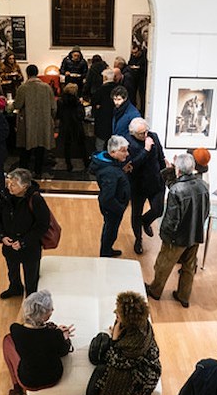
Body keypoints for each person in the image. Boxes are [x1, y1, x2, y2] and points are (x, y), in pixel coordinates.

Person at [145, 153, 210, 307]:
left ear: (178, 170)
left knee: (163, 264)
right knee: (189, 267)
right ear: (193, 168)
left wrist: (165, 236)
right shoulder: (203, 186)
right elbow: (206, 211)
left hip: (177, 238)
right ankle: (184, 296)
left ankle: (155, 290)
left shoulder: (176, 191)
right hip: (196, 233)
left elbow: (171, 219)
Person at [81, 291, 161, 395]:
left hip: (141, 378)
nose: (115, 312)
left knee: (100, 370)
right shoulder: (142, 323)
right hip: (136, 363)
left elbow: (115, 360)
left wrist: (114, 339)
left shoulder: (134, 344)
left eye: (118, 313)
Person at [3, 289, 74, 395]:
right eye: (50, 309)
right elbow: (63, 351)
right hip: (53, 377)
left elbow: (34, 338)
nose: (53, 310)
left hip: (28, 380)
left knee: (7, 341)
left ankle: (16, 387)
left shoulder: (15, 329)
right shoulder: (54, 335)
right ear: (44, 317)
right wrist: (64, 337)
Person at [0, 168, 50, 299]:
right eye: (8, 184)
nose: (9, 187)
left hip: (29, 246)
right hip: (9, 244)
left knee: (31, 275)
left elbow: (42, 225)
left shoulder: (36, 199)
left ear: (24, 186)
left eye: (13, 185)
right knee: (12, 269)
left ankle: (31, 297)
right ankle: (15, 287)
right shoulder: (6, 195)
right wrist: (2, 236)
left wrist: (23, 242)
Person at [126, 118, 167, 255]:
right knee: (136, 213)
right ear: (133, 133)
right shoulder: (128, 142)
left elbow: (160, 156)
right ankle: (138, 239)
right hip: (138, 184)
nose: (145, 135)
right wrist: (146, 149)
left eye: (146, 131)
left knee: (158, 210)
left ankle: (146, 221)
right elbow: (132, 164)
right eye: (141, 134)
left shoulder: (153, 136)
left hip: (156, 181)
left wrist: (165, 172)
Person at [89, 135, 130, 257]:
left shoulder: (110, 164)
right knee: (110, 230)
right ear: (113, 152)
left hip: (114, 205)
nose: (127, 154)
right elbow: (107, 198)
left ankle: (108, 249)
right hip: (113, 207)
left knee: (111, 229)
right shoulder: (109, 172)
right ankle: (105, 254)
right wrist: (120, 208)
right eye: (123, 151)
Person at [14, 64, 57, 179]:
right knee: (40, 148)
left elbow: (17, 105)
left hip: (28, 122)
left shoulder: (23, 88)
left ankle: (23, 173)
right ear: (37, 73)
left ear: (27, 74)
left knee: (25, 148)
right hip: (43, 122)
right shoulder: (47, 87)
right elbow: (54, 107)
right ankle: (38, 171)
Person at [56, 83, 89, 172]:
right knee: (82, 145)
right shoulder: (78, 102)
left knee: (67, 146)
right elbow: (81, 115)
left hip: (65, 126)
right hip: (76, 126)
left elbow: (58, 114)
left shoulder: (60, 101)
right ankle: (86, 162)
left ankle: (68, 165)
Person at [91, 68, 118, 151]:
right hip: (115, 122)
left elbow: (94, 102)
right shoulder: (118, 89)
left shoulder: (101, 90)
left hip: (102, 121)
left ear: (105, 78)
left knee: (100, 144)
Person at [128, 44, 148, 115]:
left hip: (142, 77)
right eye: (132, 53)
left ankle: (143, 111)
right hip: (133, 77)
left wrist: (139, 68)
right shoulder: (132, 56)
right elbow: (129, 64)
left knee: (142, 95)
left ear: (140, 51)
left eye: (135, 53)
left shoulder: (145, 56)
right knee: (132, 94)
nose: (134, 54)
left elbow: (146, 68)